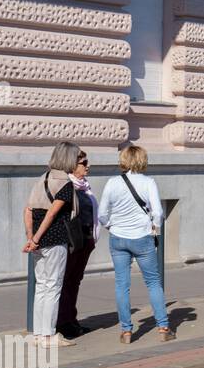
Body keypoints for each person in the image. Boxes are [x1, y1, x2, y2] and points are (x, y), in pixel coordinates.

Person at [98, 145, 173, 342]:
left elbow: (102, 213)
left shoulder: (112, 182)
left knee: (122, 285)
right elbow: (157, 212)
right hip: (142, 237)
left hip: (118, 237)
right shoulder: (148, 182)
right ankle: (163, 327)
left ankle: (126, 330)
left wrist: (110, 226)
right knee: (153, 282)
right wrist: (155, 227)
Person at [22, 142, 80, 347]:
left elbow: (28, 210)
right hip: (55, 240)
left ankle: (38, 334)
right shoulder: (65, 182)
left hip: (38, 243)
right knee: (53, 287)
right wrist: (36, 238)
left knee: (42, 287)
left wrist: (31, 238)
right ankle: (49, 335)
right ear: (69, 159)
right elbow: (53, 213)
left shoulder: (42, 179)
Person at [56, 149, 98, 340]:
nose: (87, 166)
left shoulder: (84, 186)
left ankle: (71, 320)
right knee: (66, 281)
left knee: (75, 280)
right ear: (72, 165)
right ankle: (63, 323)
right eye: (84, 162)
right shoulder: (67, 186)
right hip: (73, 242)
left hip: (85, 239)